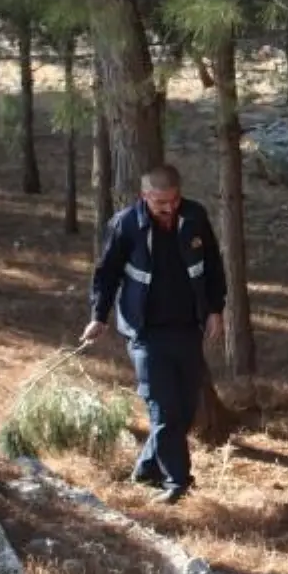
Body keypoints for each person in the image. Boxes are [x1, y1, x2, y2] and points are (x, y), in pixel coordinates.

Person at [81, 164, 227, 505]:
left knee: (186, 410)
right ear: (144, 196)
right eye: (161, 202)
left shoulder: (194, 217)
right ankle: (178, 481)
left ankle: (146, 470)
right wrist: (98, 317)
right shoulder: (126, 225)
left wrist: (215, 310)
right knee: (163, 407)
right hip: (145, 333)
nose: (169, 208)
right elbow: (106, 275)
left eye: (174, 200)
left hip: (188, 329)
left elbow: (212, 266)